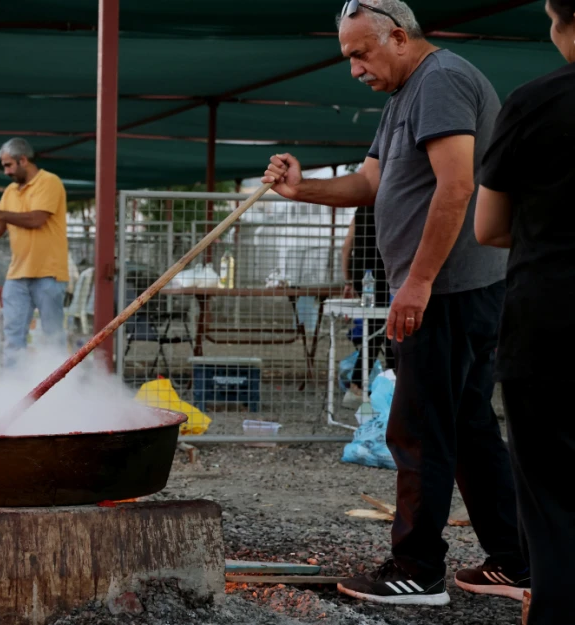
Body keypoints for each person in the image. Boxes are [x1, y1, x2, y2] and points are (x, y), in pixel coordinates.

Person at [262, 0, 524, 605]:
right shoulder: (404, 97)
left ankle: (417, 568)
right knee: (468, 426)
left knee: (420, 428)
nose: (354, 68)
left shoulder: (442, 81)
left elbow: (458, 184)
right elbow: (370, 184)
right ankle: (516, 559)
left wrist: (419, 281)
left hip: (454, 289)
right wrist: (302, 190)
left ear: (399, 37)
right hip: (454, 288)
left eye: (361, 53)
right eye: (348, 56)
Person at [474, 1, 575, 621]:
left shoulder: (536, 101)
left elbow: (489, 226)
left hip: (552, 325)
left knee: (554, 502)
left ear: (562, 19)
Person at [0, 138, 69, 365]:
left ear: (24, 160)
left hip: (48, 273)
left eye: (9, 165)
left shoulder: (50, 182)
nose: (6, 171)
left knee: (52, 337)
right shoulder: (10, 191)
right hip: (17, 275)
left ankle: (59, 392)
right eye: (4, 166)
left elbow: (37, 219)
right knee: (12, 339)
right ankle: (15, 392)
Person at [340, 205, 395, 409]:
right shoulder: (392, 202)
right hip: (384, 270)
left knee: (379, 325)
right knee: (385, 325)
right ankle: (387, 380)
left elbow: (346, 247)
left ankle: (368, 383)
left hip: (361, 271)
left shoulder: (361, 208)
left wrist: (348, 281)